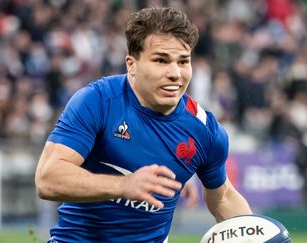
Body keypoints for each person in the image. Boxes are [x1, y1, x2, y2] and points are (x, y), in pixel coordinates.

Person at [35, 7, 252, 242]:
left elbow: (222, 197)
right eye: (161, 60)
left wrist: (253, 232)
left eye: (183, 61)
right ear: (132, 64)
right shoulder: (98, 101)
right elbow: (48, 180)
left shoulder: (205, 130)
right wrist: (124, 185)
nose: (175, 73)